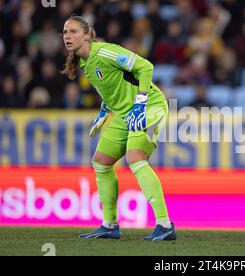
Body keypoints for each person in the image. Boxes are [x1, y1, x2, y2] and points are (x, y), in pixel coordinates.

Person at [61, 15, 176, 241]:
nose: (67, 36)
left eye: (73, 31)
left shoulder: (105, 52)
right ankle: (109, 225)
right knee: (101, 162)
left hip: (150, 106)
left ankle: (165, 225)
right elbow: (114, 88)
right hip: (124, 113)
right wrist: (104, 110)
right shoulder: (85, 63)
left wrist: (141, 101)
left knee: (135, 158)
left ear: (87, 34)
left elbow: (145, 67)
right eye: (65, 32)